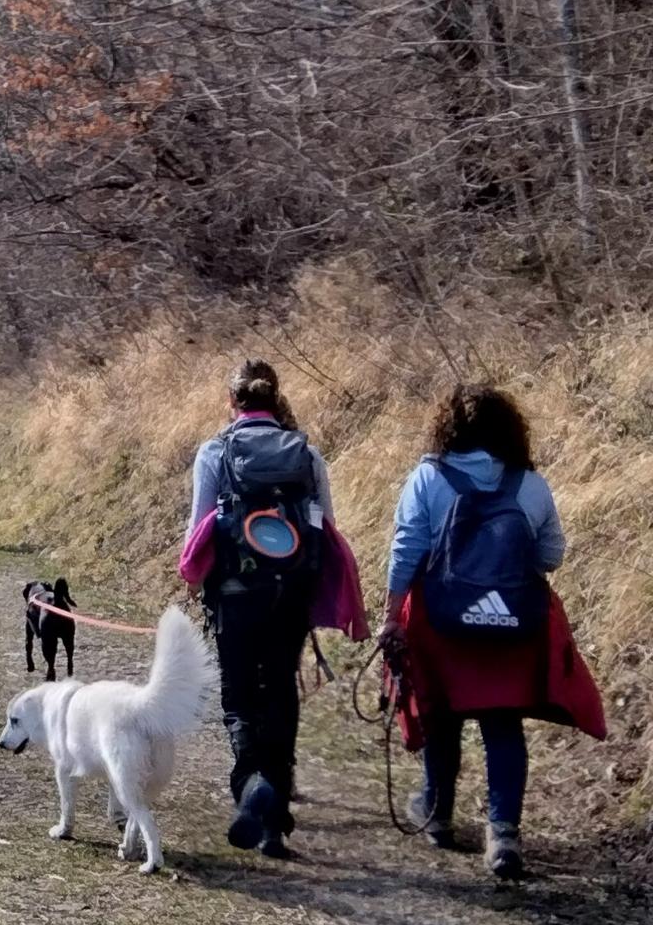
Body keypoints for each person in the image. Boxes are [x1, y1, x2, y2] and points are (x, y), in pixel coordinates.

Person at [381, 382, 602, 883]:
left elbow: (407, 551)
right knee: (502, 727)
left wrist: (392, 614)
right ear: (510, 431)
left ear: (448, 429)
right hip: (510, 625)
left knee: (442, 717)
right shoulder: (531, 486)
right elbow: (551, 556)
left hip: (439, 621)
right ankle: (502, 833)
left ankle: (437, 813)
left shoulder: (427, 478)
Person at [180, 358, 341, 859]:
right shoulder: (307, 454)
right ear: (276, 399)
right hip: (290, 591)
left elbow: (200, 525)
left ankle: (252, 783)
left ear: (232, 403)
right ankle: (274, 820)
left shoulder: (215, 452)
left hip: (234, 592)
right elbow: (325, 526)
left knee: (239, 695)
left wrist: (192, 577)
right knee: (280, 692)